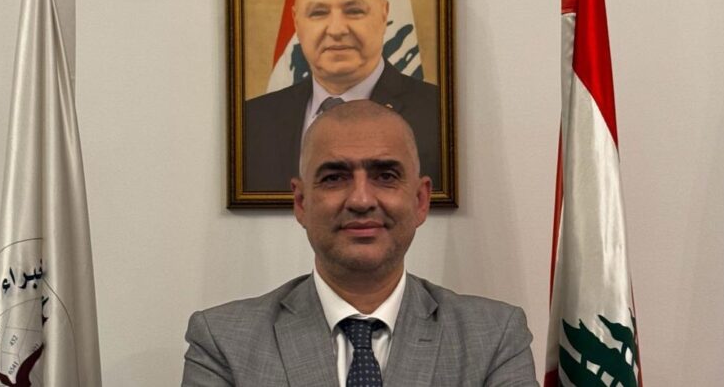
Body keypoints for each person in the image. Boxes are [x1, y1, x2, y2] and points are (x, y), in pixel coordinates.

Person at [183, 100, 537, 386]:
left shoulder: (494, 336)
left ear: (420, 200)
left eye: (385, 175)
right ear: (301, 203)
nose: (361, 200)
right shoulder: (222, 341)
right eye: (334, 178)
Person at [244, 0, 441, 192]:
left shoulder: (440, 114)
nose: (336, 29)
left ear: (384, 14)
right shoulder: (250, 122)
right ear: (297, 22)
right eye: (318, 13)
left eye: (354, 11)